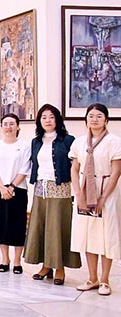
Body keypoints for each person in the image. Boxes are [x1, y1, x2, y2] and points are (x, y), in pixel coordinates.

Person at [25, 105, 80, 285]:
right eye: (44, 117)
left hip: (60, 187)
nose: (47, 120)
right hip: (40, 187)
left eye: (51, 117)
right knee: (41, 226)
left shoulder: (68, 140)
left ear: (57, 119)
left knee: (57, 227)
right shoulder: (36, 141)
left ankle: (60, 267)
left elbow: (75, 166)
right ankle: (46, 265)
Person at [70, 103, 121, 296]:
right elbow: (74, 169)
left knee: (106, 235)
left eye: (99, 116)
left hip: (106, 190)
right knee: (88, 234)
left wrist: (103, 198)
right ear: (86, 119)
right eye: (91, 116)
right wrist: (78, 194)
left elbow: (116, 172)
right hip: (84, 190)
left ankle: (105, 280)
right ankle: (92, 278)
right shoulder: (79, 142)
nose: (94, 119)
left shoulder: (114, 142)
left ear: (106, 120)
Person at [0, 113, 31, 274]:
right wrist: (2, 188)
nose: (8, 127)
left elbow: (25, 168)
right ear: (1, 127)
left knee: (18, 225)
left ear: (18, 126)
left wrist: (11, 187)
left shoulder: (25, 146)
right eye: (5, 124)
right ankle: (5, 259)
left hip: (18, 190)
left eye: (12, 124)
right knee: (1, 225)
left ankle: (17, 261)